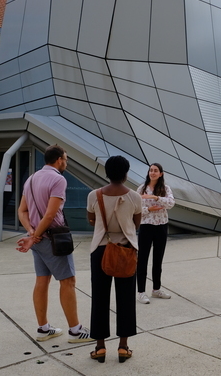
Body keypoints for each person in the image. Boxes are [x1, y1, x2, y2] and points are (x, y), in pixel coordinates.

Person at [16, 145, 94, 344]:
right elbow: (51, 214)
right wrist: (35, 236)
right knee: (68, 282)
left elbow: (22, 211)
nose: (66, 162)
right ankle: (76, 331)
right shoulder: (58, 179)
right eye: (65, 159)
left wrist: (32, 233)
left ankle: (43, 328)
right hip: (53, 239)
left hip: (38, 239)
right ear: (59, 159)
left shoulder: (31, 179)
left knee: (42, 281)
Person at [86, 155, 142, 363]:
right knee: (126, 299)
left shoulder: (94, 195)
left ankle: (100, 348)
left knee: (99, 298)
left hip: (100, 250)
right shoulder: (135, 197)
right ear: (126, 174)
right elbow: (136, 225)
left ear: (107, 173)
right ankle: (123, 347)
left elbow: (91, 220)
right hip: (126, 250)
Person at [136, 163, 175, 304]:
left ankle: (156, 289)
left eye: (155, 170)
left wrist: (156, 197)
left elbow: (171, 203)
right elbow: (137, 208)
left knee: (158, 259)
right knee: (142, 259)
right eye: (151, 170)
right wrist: (150, 209)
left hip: (161, 226)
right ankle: (141, 292)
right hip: (146, 226)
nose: (152, 173)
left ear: (161, 174)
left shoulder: (165, 189)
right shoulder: (141, 188)